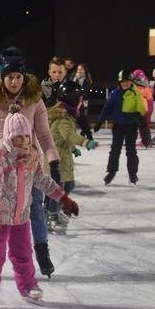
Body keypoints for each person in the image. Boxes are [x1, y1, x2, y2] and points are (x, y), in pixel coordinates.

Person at [0, 46, 61, 280]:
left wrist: (54, 162)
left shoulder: (34, 100)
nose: (14, 81)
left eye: (18, 76)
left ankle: (42, 253)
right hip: (0, 164)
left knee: (36, 209)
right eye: (10, 76)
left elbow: (45, 136)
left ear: (24, 77)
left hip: (29, 164)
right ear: (2, 78)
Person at [0, 109, 79, 307]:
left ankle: (28, 285)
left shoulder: (31, 157)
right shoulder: (0, 157)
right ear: (8, 136)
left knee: (23, 252)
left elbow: (43, 181)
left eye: (26, 135)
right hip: (1, 216)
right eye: (18, 137)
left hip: (22, 216)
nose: (24, 140)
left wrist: (63, 198)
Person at [45, 81, 97, 232]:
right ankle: (52, 216)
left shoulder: (66, 114)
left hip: (63, 156)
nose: (81, 102)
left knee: (69, 185)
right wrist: (86, 142)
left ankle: (53, 209)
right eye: (79, 99)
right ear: (73, 99)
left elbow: (62, 138)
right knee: (58, 190)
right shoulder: (62, 117)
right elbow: (68, 135)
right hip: (55, 159)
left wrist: (73, 149)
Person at [94, 70, 147, 185]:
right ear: (119, 82)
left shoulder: (135, 93)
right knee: (115, 150)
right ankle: (111, 172)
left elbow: (141, 107)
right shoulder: (115, 94)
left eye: (127, 81)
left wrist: (137, 114)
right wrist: (99, 122)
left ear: (131, 81)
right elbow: (107, 108)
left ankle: (133, 175)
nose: (125, 84)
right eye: (123, 82)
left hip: (131, 126)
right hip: (118, 126)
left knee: (131, 151)